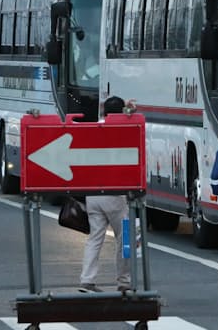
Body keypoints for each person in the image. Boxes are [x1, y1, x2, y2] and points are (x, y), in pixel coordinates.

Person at [78, 96, 132, 293]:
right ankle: (124, 281)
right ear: (120, 112)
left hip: (93, 193)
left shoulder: (93, 129)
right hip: (114, 193)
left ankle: (87, 279)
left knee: (95, 238)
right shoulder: (123, 129)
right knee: (125, 238)